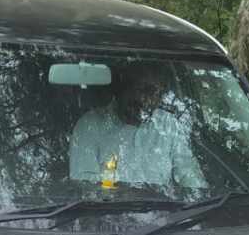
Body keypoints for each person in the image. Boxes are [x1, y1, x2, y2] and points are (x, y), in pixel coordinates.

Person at [69, 64, 205, 192]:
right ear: (121, 91)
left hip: (171, 214)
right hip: (108, 213)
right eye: (140, 90)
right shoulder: (89, 126)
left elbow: (189, 174)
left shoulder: (168, 125)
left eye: (153, 93)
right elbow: (85, 187)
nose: (144, 100)